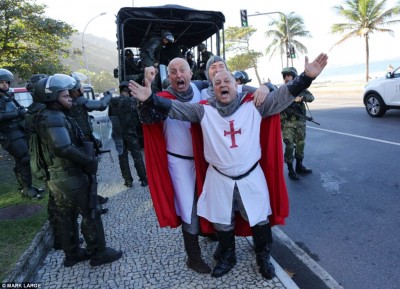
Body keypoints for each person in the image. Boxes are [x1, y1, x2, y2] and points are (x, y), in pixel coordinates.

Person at [129, 53, 328, 279]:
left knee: (259, 219)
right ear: (212, 89)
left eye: (227, 81)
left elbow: (283, 96)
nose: (222, 85)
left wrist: (305, 78)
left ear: (237, 85)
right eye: (217, 83)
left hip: (251, 177)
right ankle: (228, 256)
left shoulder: (255, 105)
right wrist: (150, 99)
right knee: (222, 221)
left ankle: (263, 257)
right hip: (219, 178)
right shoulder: (203, 110)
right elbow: (173, 107)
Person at [31, 74, 122, 267]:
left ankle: (72, 254)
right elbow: (62, 147)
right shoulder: (54, 117)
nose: (70, 98)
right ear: (52, 98)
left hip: (57, 177)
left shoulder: (45, 115)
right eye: (65, 96)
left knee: (65, 215)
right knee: (90, 211)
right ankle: (99, 253)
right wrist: (88, 161)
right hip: (69, 175)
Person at [137, 58, 212, 274]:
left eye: (182, 71)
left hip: (205, 159)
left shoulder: (202, 89)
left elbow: (230, 87)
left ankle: (211, 233)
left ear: (190, 73)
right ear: (168, 76)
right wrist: (145, 99)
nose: (179, 75)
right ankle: (194, 257)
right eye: (173, 72)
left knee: (212, 199)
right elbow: (147, 119)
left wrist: (265, 87)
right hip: (179, 162)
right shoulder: (161, 99)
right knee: (188, 208)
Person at [67, 73, 111, 208]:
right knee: (90, 172)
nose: (82, 89)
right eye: (80, 87)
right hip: (84, 140)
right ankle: (93, 205)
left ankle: (93, 199)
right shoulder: (79, 101)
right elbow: (102, 105)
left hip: (74, 140)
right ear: (75, 90)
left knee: (84, 172)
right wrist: (108, 95)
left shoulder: (66, 101)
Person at [0, 68, 42, 199]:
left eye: (6, 82)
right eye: (1, 82)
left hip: (17, 131)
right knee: (24, 158)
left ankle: (26, 187)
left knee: (23, 159)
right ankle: (26, 188)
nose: (5, 84)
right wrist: (18, 113)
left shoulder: (6, 96)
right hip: (8, 134)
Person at [108, 81, 147, 188]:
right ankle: (143, 179)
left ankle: (128, 181)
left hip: (118, 134)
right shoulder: (133, 101)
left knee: (122, 157)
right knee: (137, 156)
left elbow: (110, 117)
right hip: (131, 133)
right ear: (129, 91)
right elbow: (138, 118)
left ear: (120, 90)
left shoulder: (112, 101)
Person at [280, 67, 314, 180]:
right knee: (289, 146)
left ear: (294, 76)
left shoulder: (301, 89)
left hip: (300, 123)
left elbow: (311, 98)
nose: (286, 78)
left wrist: (301, 98)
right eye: (285, 76)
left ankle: (299, 166)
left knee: (300, 145)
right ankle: (290, 170)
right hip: (287, 124)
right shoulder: (283, 90)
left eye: (288, 75)